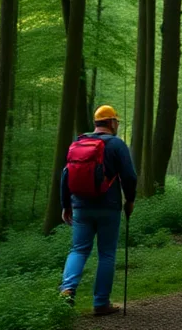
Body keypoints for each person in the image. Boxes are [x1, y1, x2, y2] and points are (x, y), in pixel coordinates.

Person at [59, 105, 138, 315]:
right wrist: (130, 200)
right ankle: (101, 303)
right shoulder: (117, 145)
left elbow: (66, 175)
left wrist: (66, 204)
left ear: (96, 123)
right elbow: (129, 176)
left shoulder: (78, 142)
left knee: (78, 249)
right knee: (106, 254)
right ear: (111, 122)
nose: (117, 125)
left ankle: (67, 289)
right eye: (117, 122)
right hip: (108, 207)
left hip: (80, 207)